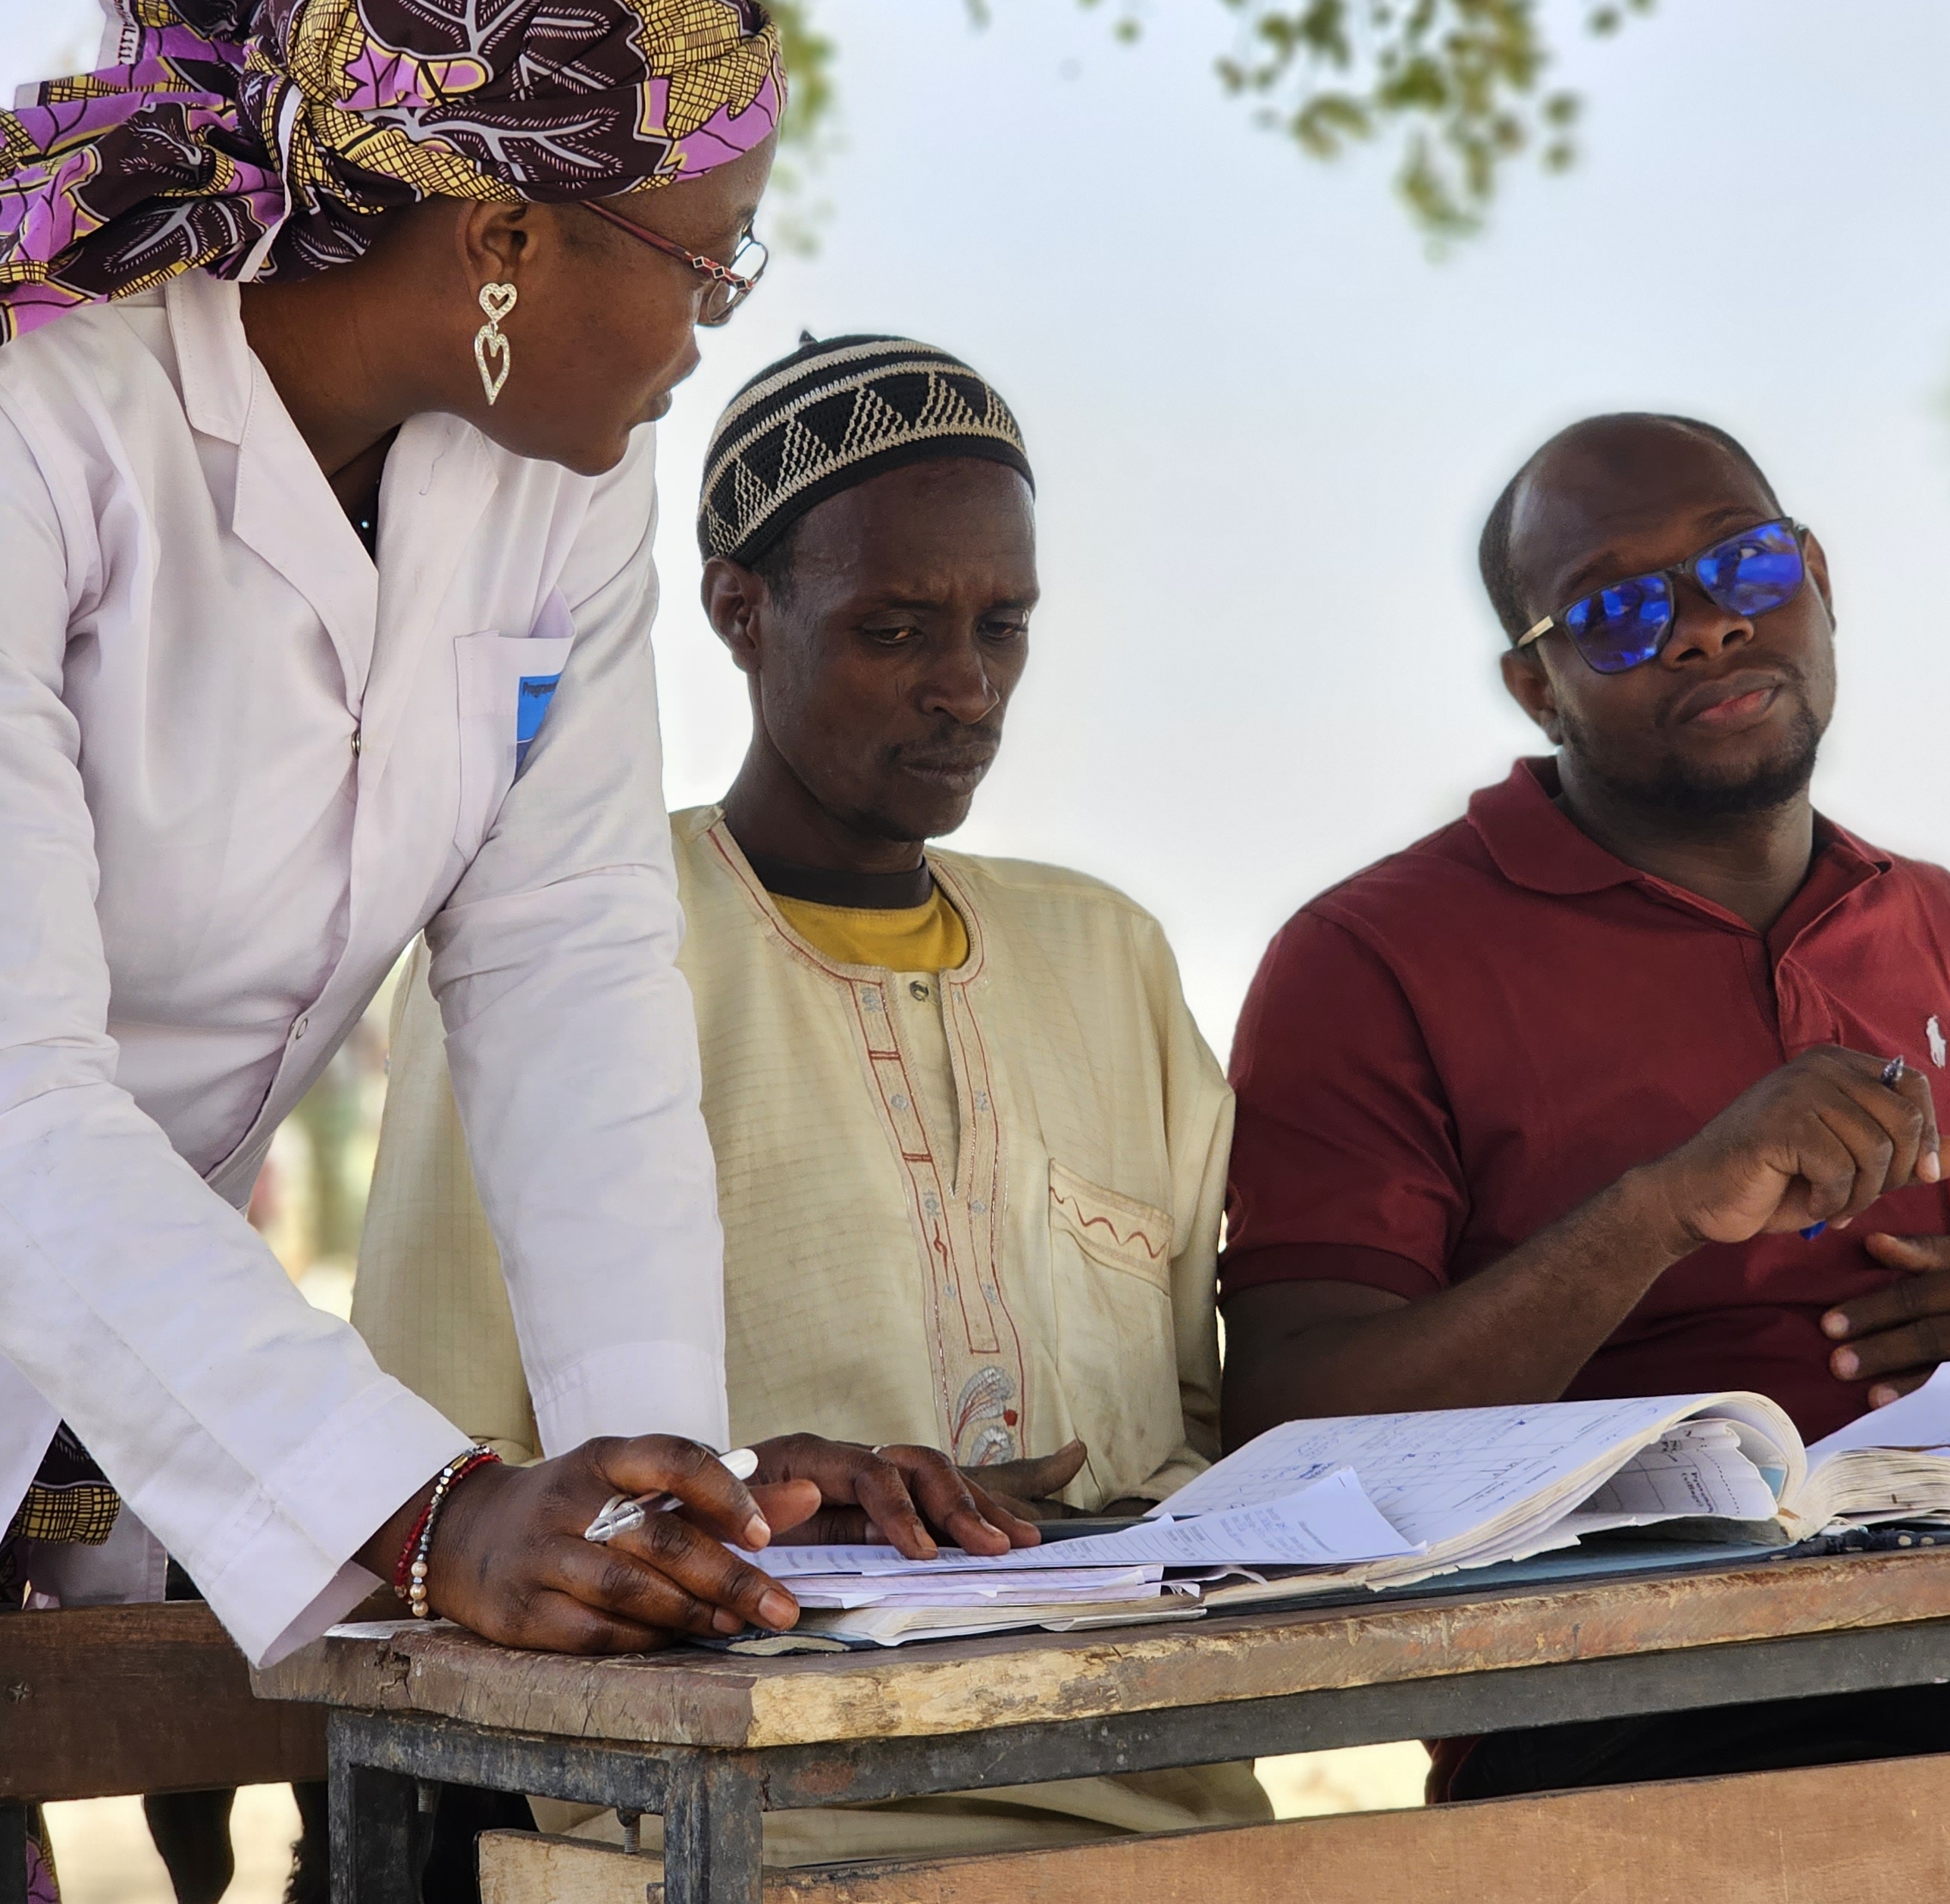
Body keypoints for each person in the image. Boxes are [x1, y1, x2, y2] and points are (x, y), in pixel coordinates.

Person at [0, 0, 1034, 1904]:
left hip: (30, 1314)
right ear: (500, 240)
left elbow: (569, 969)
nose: (706, 333)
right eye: (705, 262)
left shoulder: (556, 468)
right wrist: (426, 1509)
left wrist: (667, 1501)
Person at [354, 334, 1273, 1867]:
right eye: (893, 629)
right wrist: (755, 1502)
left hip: (1154, 1778)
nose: (964, 686)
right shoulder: (571, 941)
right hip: (738, 1800)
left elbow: (1185, 1436)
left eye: (1003, 627)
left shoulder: (1105, 953)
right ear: (738, 608)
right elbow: (439, 1454)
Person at [1215, 412, 1950, 1799]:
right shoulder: (1371, 958)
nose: (1707, 629)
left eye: (1747, 567)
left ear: (1821, 581)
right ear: (1537, 689)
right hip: (1659, 1715)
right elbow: (1293, 1438)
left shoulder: (1934, 923)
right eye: (1617, 610)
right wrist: (1659, 1213)